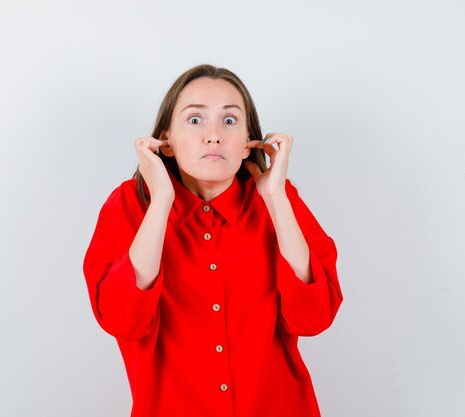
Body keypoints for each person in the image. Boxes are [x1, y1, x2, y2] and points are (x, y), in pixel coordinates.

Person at [83, 64, 343, 417]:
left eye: (230, 121)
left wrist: (276, 198)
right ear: (166, 142)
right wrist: (161, 199)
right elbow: (122, 321)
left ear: (249, 141)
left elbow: (314, 318)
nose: (214, 135)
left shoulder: (279, 201)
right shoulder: (131, 204)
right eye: (195, 120)